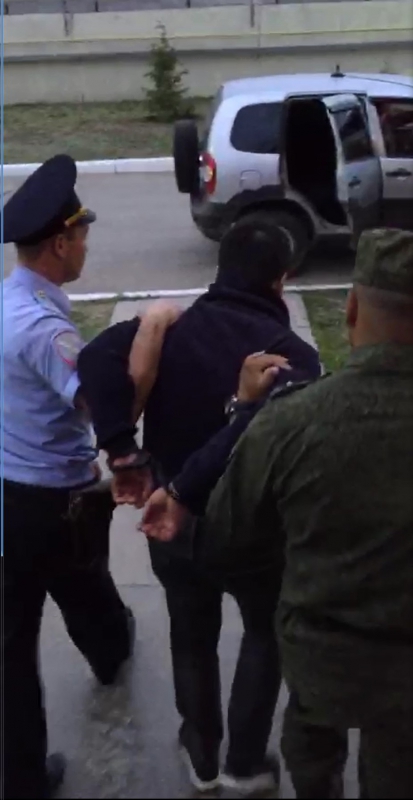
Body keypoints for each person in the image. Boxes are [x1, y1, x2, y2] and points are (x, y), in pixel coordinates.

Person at [77, 217, 322, 794]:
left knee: (191, 634)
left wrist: (123, 450)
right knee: (263, 634)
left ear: (221, 268)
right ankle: (244, 762)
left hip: (173, 524)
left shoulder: (171, 330)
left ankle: (201, 752)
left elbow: (93, 359)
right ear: (281, 281)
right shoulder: (293, 359)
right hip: (254, 532)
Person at [204, 228, 413, 799]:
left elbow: (225, 539)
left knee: (313, 759)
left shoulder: (290, 422)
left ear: (351, 310)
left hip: (320, 658)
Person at [1, 154, 180, 800]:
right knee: (87, 596)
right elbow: (105, 409)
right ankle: (111, 652)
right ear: (59, 243)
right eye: (81, 234)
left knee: (11, 647)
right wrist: (153, 328)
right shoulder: (45, 331)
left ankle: (21, 781)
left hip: (6, 496)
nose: (85, 245)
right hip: (54, 505)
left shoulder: (10, 301)